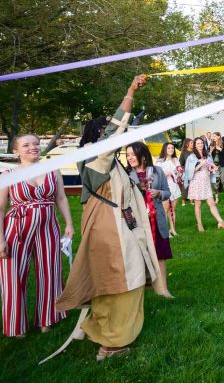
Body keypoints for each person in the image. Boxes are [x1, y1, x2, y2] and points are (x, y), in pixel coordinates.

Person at [56, 75, 169, 361]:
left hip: (116, 225)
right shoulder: (96, 156)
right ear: (98, 136)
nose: (116, 133)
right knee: (122, 281)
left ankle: (101, 332)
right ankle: (113, 342)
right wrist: (130, 90)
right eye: (107, 129)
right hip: (110, 230)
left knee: (115, 280)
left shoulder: (105, 160)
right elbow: (118, 129)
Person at [0, 134, 74, 337]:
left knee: (50, 271)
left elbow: (61, 197)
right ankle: (17, 325)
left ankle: (47, 318)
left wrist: (69, 223)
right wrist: (0, 240)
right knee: (14, 274)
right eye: (26, 145)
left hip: (48, 226)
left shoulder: (52, 170)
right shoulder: (8, 174)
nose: (33, 147)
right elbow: (0, 209)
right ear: (16, 151)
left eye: (35, 143)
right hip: (17, 227)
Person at [126, 142, 173, 294]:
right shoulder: (126, 175)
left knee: (160, 254)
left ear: (143, 155)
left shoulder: (157, 171)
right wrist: (137, 189)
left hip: (157, 220)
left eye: (133, 154)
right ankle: (139, 291)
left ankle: (163, 289)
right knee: (137, 256)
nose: (130, 158)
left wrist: (159, 193)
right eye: (127, 155)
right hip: (137, 222)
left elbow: (167, 192)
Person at [184, 137, 224, 232]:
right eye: (198, 143)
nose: (200, 145)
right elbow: (189, 172)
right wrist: (200, 164)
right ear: (195, 145)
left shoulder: (207, 155)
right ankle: (199, 224)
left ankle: (220, 221)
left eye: (201, 143)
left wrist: (213, 168)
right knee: (198, 203)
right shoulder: (191, 157)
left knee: (211, 203)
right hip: (196, 182)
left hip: (206, 181)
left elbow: (210, 166)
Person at [156, 142, 181, 237]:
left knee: (173, 208)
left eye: (172, 148)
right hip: (165, 187)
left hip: (174, 186)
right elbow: (156, 176)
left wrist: (179, 173)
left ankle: (172, 229)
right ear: (165, 149)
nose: (171, 149)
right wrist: (165, 174)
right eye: (169, 148)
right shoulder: (160, 162)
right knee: (165, 209)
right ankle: (164, 230)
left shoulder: (176, 160)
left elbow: (179, 173)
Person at [178, 138, 194, 207]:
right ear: (187, 144)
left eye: (192, 143)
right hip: (186, 172)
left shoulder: (194, 152)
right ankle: (183, 201)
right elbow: (181, 163)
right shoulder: (184, 152)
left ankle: (191, 200)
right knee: (185, 186)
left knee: (192, 186)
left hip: (194, 171)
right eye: (191, 143)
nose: (192, 144)